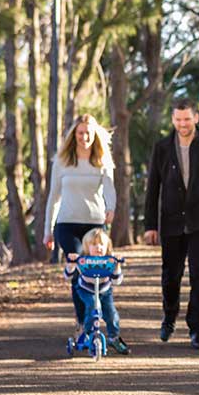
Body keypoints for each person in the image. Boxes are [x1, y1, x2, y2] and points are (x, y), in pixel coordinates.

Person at [143, 98, 199, 350]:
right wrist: (150, 225)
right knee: (171, 276)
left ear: (196, 118)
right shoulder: (162, 148)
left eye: (187, 119)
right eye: (178, 119)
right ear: (173, 120)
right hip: (170, 223)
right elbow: (152, 189)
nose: (183, 124)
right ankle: (169, 318)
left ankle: (196, 328)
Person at [43, 114, 127, 352]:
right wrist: (47, 231)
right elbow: (53, 197)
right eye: (80, 133)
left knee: (96, 270)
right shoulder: (62, 162)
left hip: (94, 224)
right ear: (74, 135)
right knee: (79, 267)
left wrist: (111, 208)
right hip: (66, 224)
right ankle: (82, 323)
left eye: (88, 133)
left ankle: (101, 321)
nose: (84, 137)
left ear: (95, 135)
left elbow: (110, 189)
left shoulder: (102, 161)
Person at [64, 228, 127, 354]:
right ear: (87, 247)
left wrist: (117, 265)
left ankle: (114, 337)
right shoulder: (82, 260)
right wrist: (71, 263)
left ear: (107, 246)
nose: (98, 247)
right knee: (93, 306)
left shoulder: (109, 260)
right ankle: (87, 333)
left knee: (111, 314)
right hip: (86, 289)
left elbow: (116, 281)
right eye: (94, 244)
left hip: (105, 290)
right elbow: (68, 276)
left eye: (101, 244)